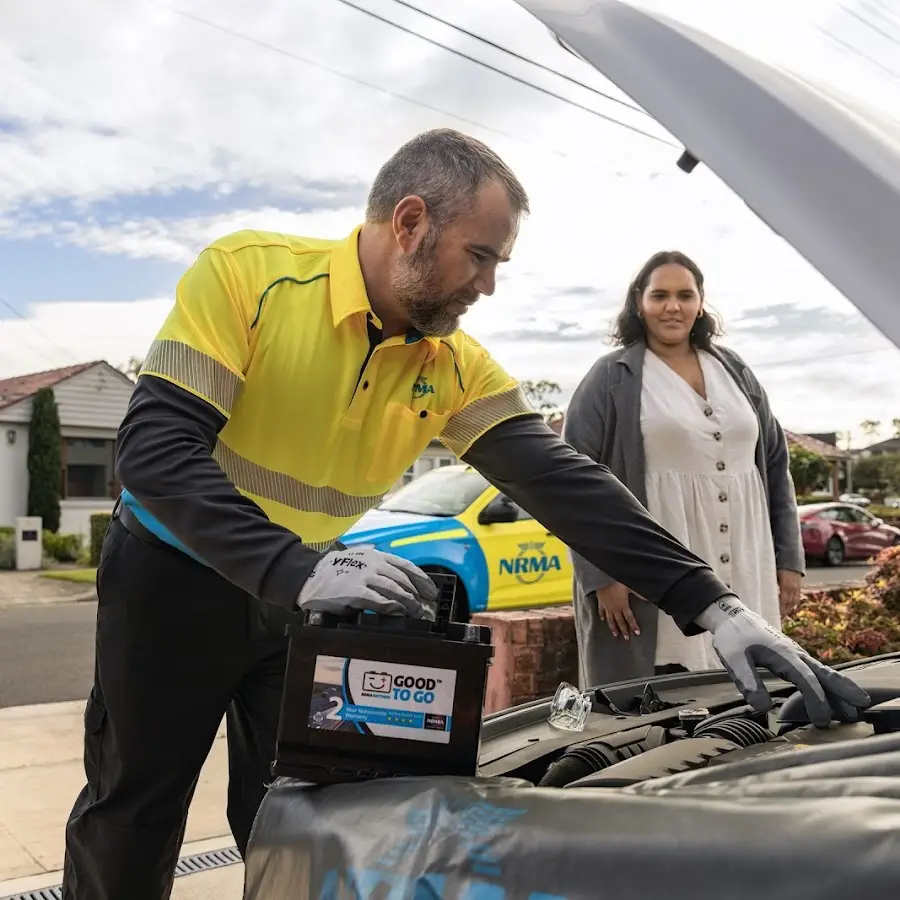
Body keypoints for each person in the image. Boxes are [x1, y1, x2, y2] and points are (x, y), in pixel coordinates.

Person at [61, 129, 868, 900]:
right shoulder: (248, 277)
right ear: (410, 222)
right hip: (174, 575)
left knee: (294, 809)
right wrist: (299, 570)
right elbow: (156, 453)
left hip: (305, 592)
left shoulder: (450, 362)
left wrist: (713, 604)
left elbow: (566, 484)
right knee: (137, 808)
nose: (488, 285)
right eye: (480, 256)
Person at [563, 250, 805, 687]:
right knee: (659, 696)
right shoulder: (610, 377)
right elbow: (571, 484)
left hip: (747, 561)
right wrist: (601, 578)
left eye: (684, 295)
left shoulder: (736, 371)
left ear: (700, 302)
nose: (672, 306)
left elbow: (775, 467)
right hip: (656, 568)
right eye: (659, 295)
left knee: (747, 689)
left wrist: (789, 561)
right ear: (639, 302)